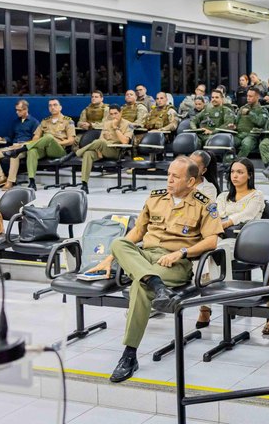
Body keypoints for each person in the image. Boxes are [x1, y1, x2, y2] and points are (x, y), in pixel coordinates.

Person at [86, 157, 222, 383]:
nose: (169, 180)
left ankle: (129, 354)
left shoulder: (204, 204)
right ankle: (156, 284)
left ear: (190, 181)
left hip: (175, 262)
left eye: (175, 177)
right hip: (146, 256)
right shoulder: (155, 198)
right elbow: (137, 232)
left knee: (140, 284)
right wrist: (110, 258)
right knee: (119, 243)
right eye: (168, 174)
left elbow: (212, 242)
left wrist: (182, 253)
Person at [195, 158, 266, 328]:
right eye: (233, 172)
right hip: (220, 236)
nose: (235, 176)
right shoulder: (222, 196)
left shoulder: (256, 195)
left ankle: (222, 297)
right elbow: (214, 215)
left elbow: (246, 215)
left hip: (245, 241)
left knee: (217, 249)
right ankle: (207, 304)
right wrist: (219, 223)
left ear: (249, 175)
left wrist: (225, 222)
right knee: (205, 250)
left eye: (240, 172)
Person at [5, 99, 76, 191]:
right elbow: (36, 136)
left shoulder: (68, 121)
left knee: (49, 137)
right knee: (32, 151)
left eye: (55, 105)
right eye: (50, 105)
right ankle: (32, 182)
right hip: (43, 148)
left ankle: (20, 150)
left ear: (60, 107)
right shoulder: (45, 121)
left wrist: (54, 142)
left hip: (59, 150)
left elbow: (71, 140)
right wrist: (37, 142)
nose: (52, 107)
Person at [72, 105, 133, 194]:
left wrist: (115, 127)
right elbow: (101, 139)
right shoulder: (107, 124)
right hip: (102, 150)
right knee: (88, 153)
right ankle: (84, 184)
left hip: (116, 151)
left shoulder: (128, 124)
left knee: (99, 142)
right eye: (111, 114)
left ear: (121, 113)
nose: (114, 116)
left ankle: (77, 152)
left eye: (116, 113)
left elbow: (125, 141)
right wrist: (98, 151)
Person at [0, 100, 39, 190]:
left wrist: (23, 144)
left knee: (14, 154)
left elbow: (36, 140)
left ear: (25, 109)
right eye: (16, 110)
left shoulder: (34, 122)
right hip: (13, 146)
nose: (17, 112)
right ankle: (1, 177)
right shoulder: (15, 122)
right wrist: (2, 139)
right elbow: (10, 137)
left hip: (24, 149)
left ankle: (10, 181)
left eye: (19, 110)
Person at [233, 88, 268, 158]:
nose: (248, 98)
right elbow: (236, 122)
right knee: (228, 142)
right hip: (239, 135)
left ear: (257, 97)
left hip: (252, 136)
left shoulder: (262, 110)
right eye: (247, 96)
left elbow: (261, 122)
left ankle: (237, 163)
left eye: (250, 96)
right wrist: (233, 126)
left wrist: (249, 113)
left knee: (246, 144)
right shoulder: (242, 108)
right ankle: (227, 164)